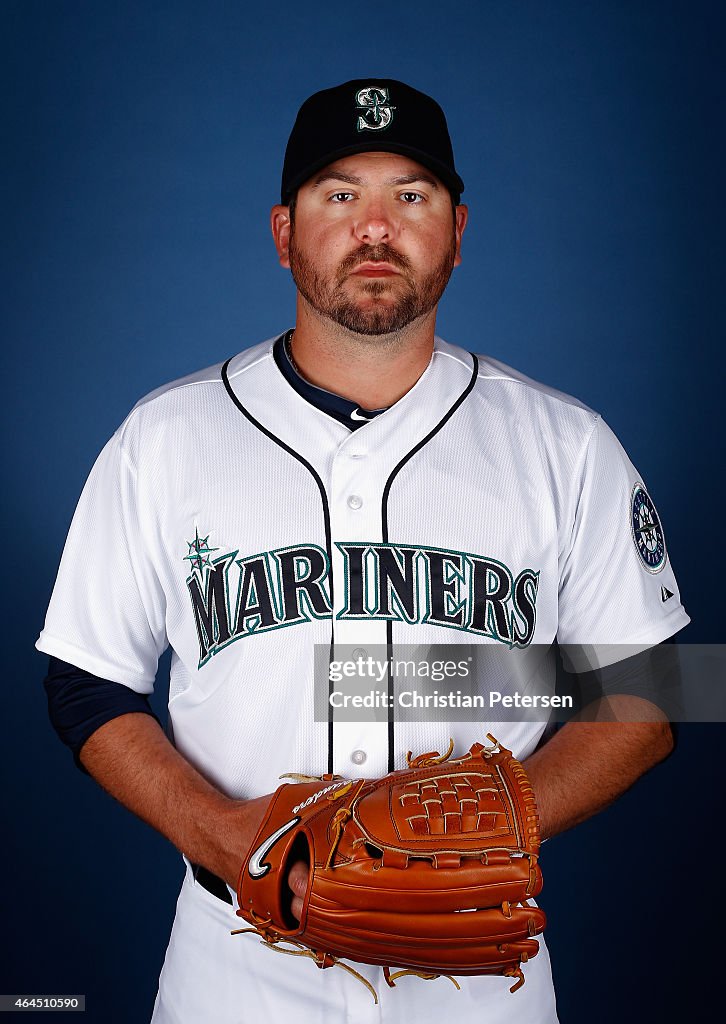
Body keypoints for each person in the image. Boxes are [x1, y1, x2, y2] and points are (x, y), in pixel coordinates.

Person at [38, 79, 689, 1024]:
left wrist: (484, 837)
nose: (375, 227)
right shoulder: (163, 437)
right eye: (340, 195)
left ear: (458, 232)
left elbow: (655, 693)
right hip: (233, 972)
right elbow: (84, 684)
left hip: (478, 973)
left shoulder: (566, 443)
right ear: (283, 231)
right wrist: (228, 837)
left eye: (411, 196)